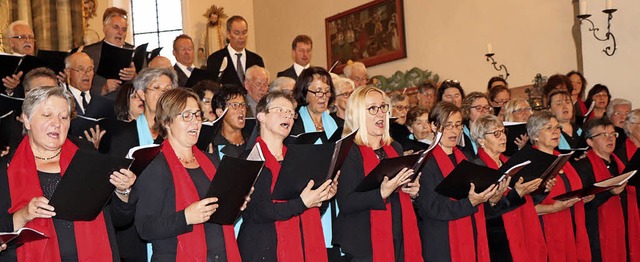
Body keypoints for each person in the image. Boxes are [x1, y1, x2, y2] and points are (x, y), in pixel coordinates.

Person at [0, 86, 136, 261]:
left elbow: (118, 220)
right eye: (47, 115)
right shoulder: (6, 169)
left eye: (63, 117)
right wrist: (24, 214)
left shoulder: (88, 158)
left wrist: (122, 191)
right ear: (27, 120)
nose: (57, 123)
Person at [135, 88, 248, 261]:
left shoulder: (211, 161)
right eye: (186, 116)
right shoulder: (155, 165)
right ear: (167, 121)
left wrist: (235, 206)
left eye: (197, 115)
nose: (195, 122)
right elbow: (145, 227)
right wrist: (186, 217)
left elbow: (218, 218)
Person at [237, 91, 338, 261]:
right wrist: (302, 203)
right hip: (263, 251)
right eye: (280, 110)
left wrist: (323, 197)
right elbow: (256, 211)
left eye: (291, 113)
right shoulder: (250, 158)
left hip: (303, 249)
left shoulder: (298, 158)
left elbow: (312, 210)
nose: (288, 116)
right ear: (261, 116)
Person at [335, 85, 422, 260]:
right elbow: (346, 202)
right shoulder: (348, 151)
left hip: (400, 235)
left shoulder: (395, 147)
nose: (381, 113)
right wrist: (381, 192)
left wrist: (412, 190)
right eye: (372, 108)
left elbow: (400, 190)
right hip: (364, 242)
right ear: (357, 114)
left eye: (383, 107)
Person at [414, 101, 498, 261]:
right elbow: (430, 208)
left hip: (470, 235)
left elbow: (477, 199)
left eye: (458, 125)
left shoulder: (466, 158)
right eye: (448, 125)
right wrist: (470, 203)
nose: (454, 131)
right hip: (442, 242)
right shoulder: (425, 162)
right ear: (433, 126)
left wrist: (492, 198)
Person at [470, 114, 546, 262]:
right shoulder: (478, 168)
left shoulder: (511, 163)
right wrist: (516, 195)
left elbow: (528, 200)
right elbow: (485, 213)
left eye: (503, 131)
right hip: (496, 238)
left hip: (521, 230)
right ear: (481, 140)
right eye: (496, 133)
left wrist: (542, 189)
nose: (503, 137)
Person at [527, 111, 591, 261]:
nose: (555, 132)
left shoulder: (562, 158)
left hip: (571, 229)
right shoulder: (530, 164)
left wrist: (583, 197)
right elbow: (524, 208)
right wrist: (552, 208)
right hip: (546, 234)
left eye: (557, 128)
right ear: (535, 135)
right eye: (549, 128)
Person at [573, 118, 640, 262]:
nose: (610, 138)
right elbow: (583, 204)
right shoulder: (582, 167)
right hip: (597, 233)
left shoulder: (620, 163)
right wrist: (609, 193)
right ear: (590, 141)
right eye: (603, 135)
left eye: (612, 134)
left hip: (623, 229)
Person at [108, 67, 177, 157]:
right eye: (156, 87)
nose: (163, 93)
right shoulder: (123, 135)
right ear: (142, 94)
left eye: (167, 90)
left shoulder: (177, 132)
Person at [82, 7, 137, 97]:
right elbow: (80, 85)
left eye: (124, 29)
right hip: (101, 106)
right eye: (116, 27)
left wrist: (135, 77)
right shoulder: (89, 53)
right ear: (105, 28)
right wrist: (104, 89)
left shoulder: (135, 52)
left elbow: (147, 85)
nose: (120, 32)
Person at [206, 15, 265, 86]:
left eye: (244, 33)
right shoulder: (215, 59)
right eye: (237, 33)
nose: (241, 37)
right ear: (228, 34)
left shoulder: (256, 60)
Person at [292, 67, 341, 142]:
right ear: (304, 93)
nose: (324, 97)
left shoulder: (338, 123)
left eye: (327, 91)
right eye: (318, 91)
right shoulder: (294, 126)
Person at [210, 85, 250, 159]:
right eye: (235, 105)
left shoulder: (252, 141)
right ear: (220, 112)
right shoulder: (213, 146)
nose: (242, 109)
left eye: (243, 105)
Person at [2, 20, 36, 98]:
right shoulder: (4, 64)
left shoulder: (42, 63)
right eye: (22, 37)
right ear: (11, 42)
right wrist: (10, 90)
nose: (28, 40)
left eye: (30, 37)